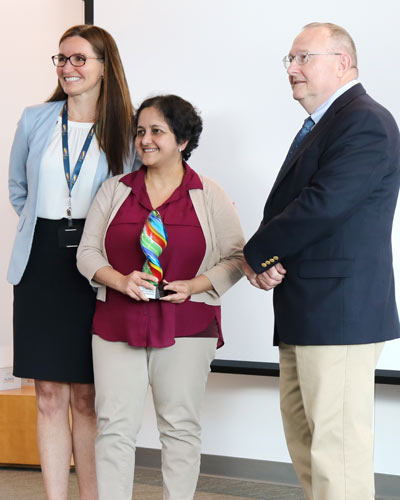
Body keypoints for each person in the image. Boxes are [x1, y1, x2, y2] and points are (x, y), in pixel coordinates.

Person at [242, 22, 400, 500]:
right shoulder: (327, 122)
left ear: (343, 63)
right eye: (290, 59)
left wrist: (257, 253)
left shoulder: (365, 120)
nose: (292, 69)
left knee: (339, 454)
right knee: (310, 448)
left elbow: (324, 204)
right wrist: (270, 257)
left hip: (339, 312)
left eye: (303, 57)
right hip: (305, 309)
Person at [77, 94, 244, 500]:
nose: (145, 140)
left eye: (157, 132)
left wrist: (194, 286)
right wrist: (118, 280)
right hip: (117, 321)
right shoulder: (114, 190)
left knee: (180, 427)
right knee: (114, 427)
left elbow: (238, 258)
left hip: (187, 324)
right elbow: (87, 253)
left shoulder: (209, 194)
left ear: (183, 141)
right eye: (140, 132)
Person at [8, 24, 139, 500]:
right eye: (62, 59)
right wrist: (45, 227)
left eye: (80, 59)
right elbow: (18, 190)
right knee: (47, 394)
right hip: (40, 262)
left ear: (105, 66)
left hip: (96, 263)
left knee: (86, 395)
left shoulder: (127, 126)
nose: (68, 68)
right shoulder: (35, 118)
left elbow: (134, 199)